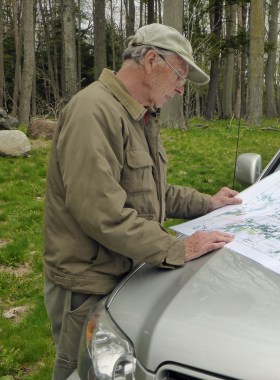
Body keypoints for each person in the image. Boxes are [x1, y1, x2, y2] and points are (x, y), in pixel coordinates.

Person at [43, 23, 242, 379]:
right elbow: (101, 211)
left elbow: (151, 191)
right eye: (179, 76)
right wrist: (176, 248)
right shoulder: (94, 111)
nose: (181, 89)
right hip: (87, 285)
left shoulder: (137, 115)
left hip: (122, 272)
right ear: (151, 60)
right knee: (82, 371)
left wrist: (208, 204)